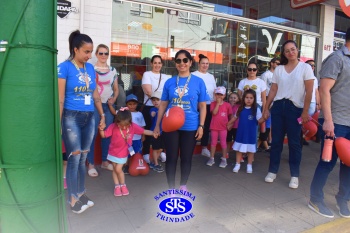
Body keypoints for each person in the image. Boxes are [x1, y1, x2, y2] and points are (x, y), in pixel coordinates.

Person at [58, 30, 105, 213]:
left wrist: (101, 115)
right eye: (86, 51)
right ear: (75, 49)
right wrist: (58, 123)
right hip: (71, 117)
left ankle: (81, 192)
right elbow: (60, 98)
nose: (89, 55)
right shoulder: (64, 67)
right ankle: (72, 198)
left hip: (89, 116)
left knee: (83, 158)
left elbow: (95, 94)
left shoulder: (90, 68)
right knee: (74, 158)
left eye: (91, 52)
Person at [308, 28, 350, 219]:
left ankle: (343, 200)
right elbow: (324, 91)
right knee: (327, 163)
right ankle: (315, 199)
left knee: (349, 164)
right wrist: (328, 122)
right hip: (336, 122)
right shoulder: (337, 58)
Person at [262, 40, 314, 189]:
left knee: (294, 143)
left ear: (297, 50)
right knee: (276, 141)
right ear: (283, 53)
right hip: (278, 107)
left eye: (293, 49)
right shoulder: (279, 69)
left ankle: (294, 175)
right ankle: (272, 171)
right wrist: (267, 108)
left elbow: (309, 91)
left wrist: (305, 111)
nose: (291, 52)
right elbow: (273, 90)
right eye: (287, 51)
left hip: (295, 108)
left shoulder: (305, 68)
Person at [154, 50, 208, 191]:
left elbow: (202, 106)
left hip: (190, 125)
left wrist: (201, 126)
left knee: (186, 158)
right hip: (170, 125)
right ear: (175, 63)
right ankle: (171, 188)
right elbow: (163, 105)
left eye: (185, 60)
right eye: (178, 61)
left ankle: (183, 185)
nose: (182, 63)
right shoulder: (170, 82)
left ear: (190, 62)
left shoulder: (198, 82)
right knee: (171, 158)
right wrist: (157, 126)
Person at [99, 107, 157, 197]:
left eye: (126, 125)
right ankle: (117, 186)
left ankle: (123, 185)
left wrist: (153, 133)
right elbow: (104, 135)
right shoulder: (112, 126)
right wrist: (101, 129)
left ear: (130, 122)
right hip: (113, 152)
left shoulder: (133, 126)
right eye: (121, 125)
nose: (124, 127)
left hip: (123, 152)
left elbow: (143, 131)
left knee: (118, 169)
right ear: (116, 122)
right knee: (115, 169)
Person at [87, 44, 119, 177]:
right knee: (93, 134)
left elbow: (116, 89)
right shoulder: (91, 69)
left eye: (106, 53)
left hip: (108, 106)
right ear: (96, 54)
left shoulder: (113, 70)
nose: (103, 56)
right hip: (94, 105)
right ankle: (91, 164)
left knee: (107, 134)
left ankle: (105, 161)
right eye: (101, 53)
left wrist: (114, 98)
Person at [227, 89, 264, 173]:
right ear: (243, 98)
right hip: (241, 133)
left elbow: (260, 120)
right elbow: (234, 118)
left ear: (254, 99)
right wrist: (228, 124)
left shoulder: (256, 109)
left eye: (251, 98)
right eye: (247, 97)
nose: (249, 99)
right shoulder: (240, 108)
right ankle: (237, 164)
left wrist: (264, 117)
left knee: (250, 150)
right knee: (239, 149)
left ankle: (249, 165)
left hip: (251, 134)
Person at [108, 94, 146, 174]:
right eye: (130, 104)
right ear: (126, 104)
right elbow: (114, 112)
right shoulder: (123, 112)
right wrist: (110, 105)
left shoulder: (139, 114)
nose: (132, 106)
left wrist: (143, 135)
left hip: (137, 138)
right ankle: (126, 166)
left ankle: (137, 166)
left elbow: (142, 126)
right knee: (127, 153)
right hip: (127, 139)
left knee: (137, 152)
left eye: (134, 104)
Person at [141, 55, 168, 160]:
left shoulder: (166, 76)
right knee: (148, 130)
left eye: (159, 63)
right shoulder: (147, 74)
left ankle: (162, 151)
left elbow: (168, 92)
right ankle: (146, 153)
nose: (157, 65)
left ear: (162, 64)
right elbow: (148, 91)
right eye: (155, 63)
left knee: (163, 130)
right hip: (149, 106)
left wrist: (162, 103)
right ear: (151, 64)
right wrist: (158, 100)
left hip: (162, 108)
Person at [192, 54, 217, 157]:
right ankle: (191, 147)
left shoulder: (211, 76)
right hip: (195, 105)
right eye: (203, 63)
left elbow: (214, 92)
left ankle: (204, 147)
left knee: (206, 127)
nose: (205, 65)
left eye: (207, 63)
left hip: (208, 105)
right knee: (194, 126)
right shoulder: (193, 75)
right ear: (199, 64)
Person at [206, 86, 232, 168]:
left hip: (223, 128)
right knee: (213, 143)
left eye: (221, 94)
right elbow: (214, 113)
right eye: (217, 94)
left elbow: (230, 115)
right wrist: (217, 103)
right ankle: (211, 158)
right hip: (214, 127)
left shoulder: (227, 105)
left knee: (223, 143)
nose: (219, 96)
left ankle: (224, 159)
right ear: (215, 95)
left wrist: (230, 124)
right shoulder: (213, 104)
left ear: (224, 95)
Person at [305, 59, 321, 144]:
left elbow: (316, 91)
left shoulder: (315, 78)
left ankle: (304, 137)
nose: (312, 67)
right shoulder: (302, 76)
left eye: (313, 65)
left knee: (309, 121)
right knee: (301, 120)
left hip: (312, 102)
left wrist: (318, 103)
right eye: (310, 65)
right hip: (303, 102)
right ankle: (300, 138)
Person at [149, 91, 165, 173]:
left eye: (157, 100)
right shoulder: (153, 109)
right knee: (155, 148)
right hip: (155, 132)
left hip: (163, 132)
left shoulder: (165, 110)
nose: (155, 102)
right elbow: (152, 114)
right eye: (153, 100)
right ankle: (155, 163)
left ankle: (152, 162)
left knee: (161, 148)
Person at [226, 92, 241, 158]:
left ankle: (240, 156)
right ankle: (226, 153)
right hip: (228, 126)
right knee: (228, 140)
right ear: (228, 98)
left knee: (237, 141)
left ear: (238, 99)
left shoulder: (239, 106)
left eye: (235, 98)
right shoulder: (226, 105)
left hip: (237, 127)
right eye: (231, 97)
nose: (233, 99)